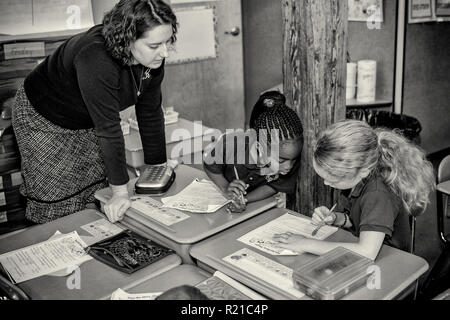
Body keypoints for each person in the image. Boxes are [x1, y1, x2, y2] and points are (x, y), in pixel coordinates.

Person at [12, 0, 177, 224]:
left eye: (168, 41)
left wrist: (157, 166)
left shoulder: (152, 58)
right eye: (155, 45)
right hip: (45, 118)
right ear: (127, 38)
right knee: (58, 196)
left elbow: (149, 111)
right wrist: (120, 193)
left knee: (96, 191)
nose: (165, 52)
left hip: (89, 118)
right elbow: (109, 129)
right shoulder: (95, 56)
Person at [273, 120, 435, 260]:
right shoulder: (361, 176)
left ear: (362, 170)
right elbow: (360, 219)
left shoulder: (377, 194)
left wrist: (305, 243)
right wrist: (336, 218)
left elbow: (367, 252)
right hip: (366, 246)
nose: (326, 182)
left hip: (388, 261)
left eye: (333, 178)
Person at [203, 91, 304, 213]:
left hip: (257, 209)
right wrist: (225, 188)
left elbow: (273, 186)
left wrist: (244, 199)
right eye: (281, 161)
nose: (289, 167)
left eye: (294, 160)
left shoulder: (288, 156)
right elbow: (209, 165)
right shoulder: (231, 145)